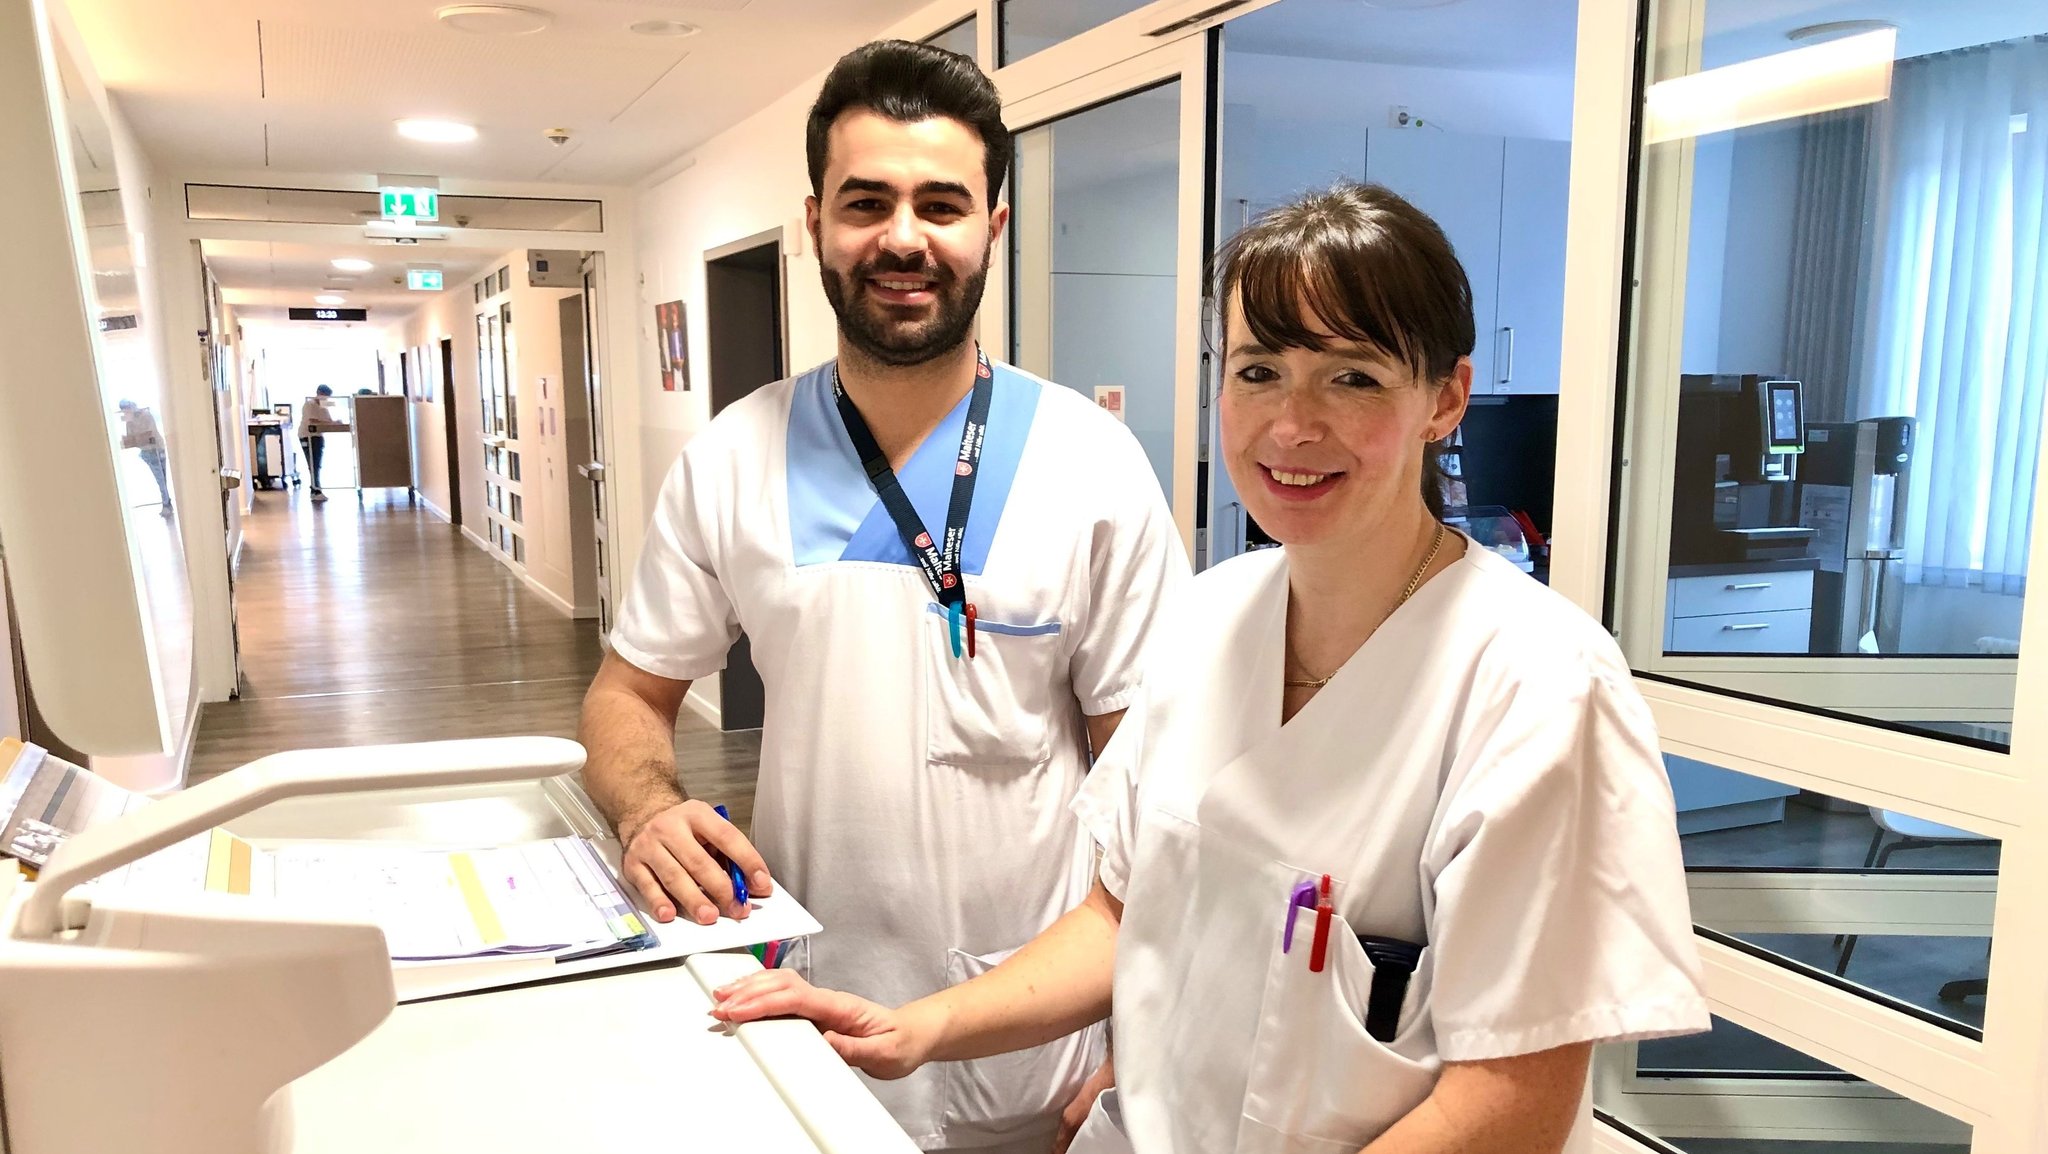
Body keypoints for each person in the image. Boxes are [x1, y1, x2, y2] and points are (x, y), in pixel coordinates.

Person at [708, 184, 1711, 1154]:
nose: (1289, 425)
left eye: (1351, 376)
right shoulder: (1208, 616)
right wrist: (918, 1026)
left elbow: (1514, 1104)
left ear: (1443, 396)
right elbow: (1119, 912)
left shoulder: (1538, 686)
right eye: (1256, 369)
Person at [578, 39, 1186, 1154]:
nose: (902, 238)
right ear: (814, 220)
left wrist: (1143, 1019)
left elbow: (1159, 787)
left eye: (940, 203)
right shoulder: (733, 456)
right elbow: (628, 689)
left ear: (992, 227)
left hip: (1032, 1042)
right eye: (867, 201)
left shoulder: (1090, 463)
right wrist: (647, 805)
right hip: (799, 1011)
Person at [115, 399, 172, 512]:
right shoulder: (129, 421)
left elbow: (151, 436)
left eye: (127, 409)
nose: (126, 413)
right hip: (147, 452)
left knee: (161, 480)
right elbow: (130, 440)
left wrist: (136, 438)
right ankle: (166, 503)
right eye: (124, 411)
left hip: (156, 449)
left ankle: (166, 504)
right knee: (160, 480)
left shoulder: (145, 415)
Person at [300, 385, 337, 502]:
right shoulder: (309, 404)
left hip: (318, 436)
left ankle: (316, 488)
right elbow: (312, 420)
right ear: (319, 393)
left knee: (317, 464)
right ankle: (315, 490)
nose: (326, 399)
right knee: (313, 464)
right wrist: (328, 423)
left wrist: (335, 423)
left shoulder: (323, 406)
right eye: (325, 396)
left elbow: (328, 420)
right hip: (308, 436)